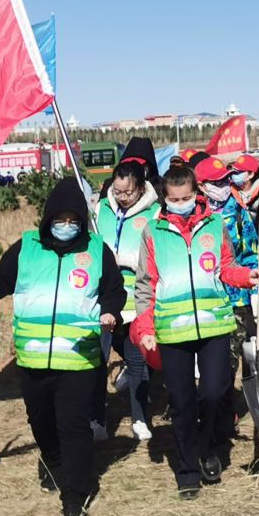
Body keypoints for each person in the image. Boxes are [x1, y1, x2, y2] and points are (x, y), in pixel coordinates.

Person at [0, 177, 125, 516]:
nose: (66, 225)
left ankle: (74, 496)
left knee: (73, 425)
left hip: (78, 357)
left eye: (73, 220)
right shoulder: (27, 247)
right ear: (48, 219)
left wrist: (110, 311)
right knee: (42, 422)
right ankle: (54, 462)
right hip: (33, 358)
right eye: (60, 219)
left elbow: (114, 291)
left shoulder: (96, 249)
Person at [132, 161, 259, 498]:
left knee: (214, 393)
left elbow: (226, 267)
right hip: (172, 330)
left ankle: (207, 448)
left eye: (186, 197)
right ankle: (188, 468)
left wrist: (247, 277)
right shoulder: (153, 232)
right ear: (165, 198)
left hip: (214, 324)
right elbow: (146, 285)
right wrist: (146, 326)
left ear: (197, 193)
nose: (181, 204)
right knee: (181, 401)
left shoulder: (214, 225)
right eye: (174, 199)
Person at [95, 159, 159, 443]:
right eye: (118, 191)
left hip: (137, 299)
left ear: (141, 188)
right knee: (97, 362)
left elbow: (156, 254)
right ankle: (96, 419)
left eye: (128, 192)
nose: (122, 197)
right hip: (104, 300)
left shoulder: (155, 213)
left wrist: (129, 260)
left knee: (137, 362)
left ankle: (140, 418)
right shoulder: (101, 209)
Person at [196, 154, 259, 434]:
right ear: (201, 185)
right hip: (204, 299)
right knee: (208, 363)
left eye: (225, 180)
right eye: (216, 182)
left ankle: (225, 415)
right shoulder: (194, 215)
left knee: (229, 358)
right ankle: (211, 410)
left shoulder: (238, 209)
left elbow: (250, 250)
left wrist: (253, 286)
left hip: (236, 298)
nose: (223, 186)